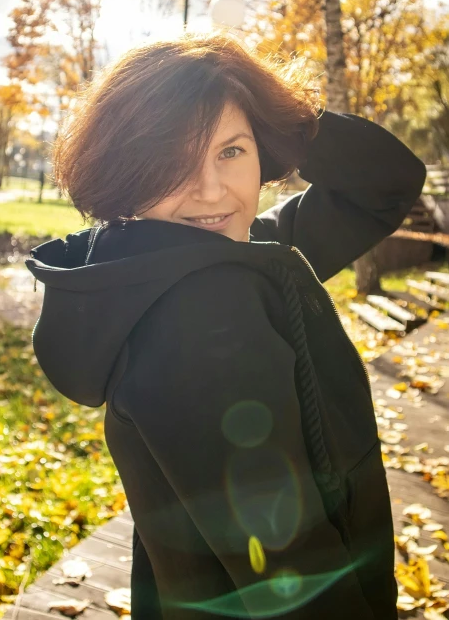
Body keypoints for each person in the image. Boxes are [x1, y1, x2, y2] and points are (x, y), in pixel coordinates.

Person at [26, 34, 425, 620]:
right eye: (172, 163)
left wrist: (274, 108)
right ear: (127, 173)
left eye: (231, 151)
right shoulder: (198, 313)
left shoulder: (218, 254)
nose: (211, 190)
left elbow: (386, 184)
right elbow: (288, 570)